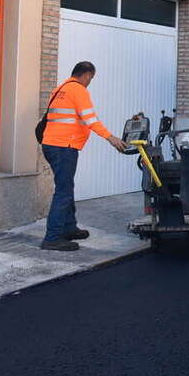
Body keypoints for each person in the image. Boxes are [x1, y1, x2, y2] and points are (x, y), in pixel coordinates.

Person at [40, 61, 127, 251]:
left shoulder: (59, 89)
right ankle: (52, 237)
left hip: (50, 145)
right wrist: (110, 138)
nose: (90, 82)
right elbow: (90, 120)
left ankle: (69, 228)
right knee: (63, 191)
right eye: (91, 78)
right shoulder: (78, 90)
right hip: (64, 146)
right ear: (87, 74)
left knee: (66, 185)